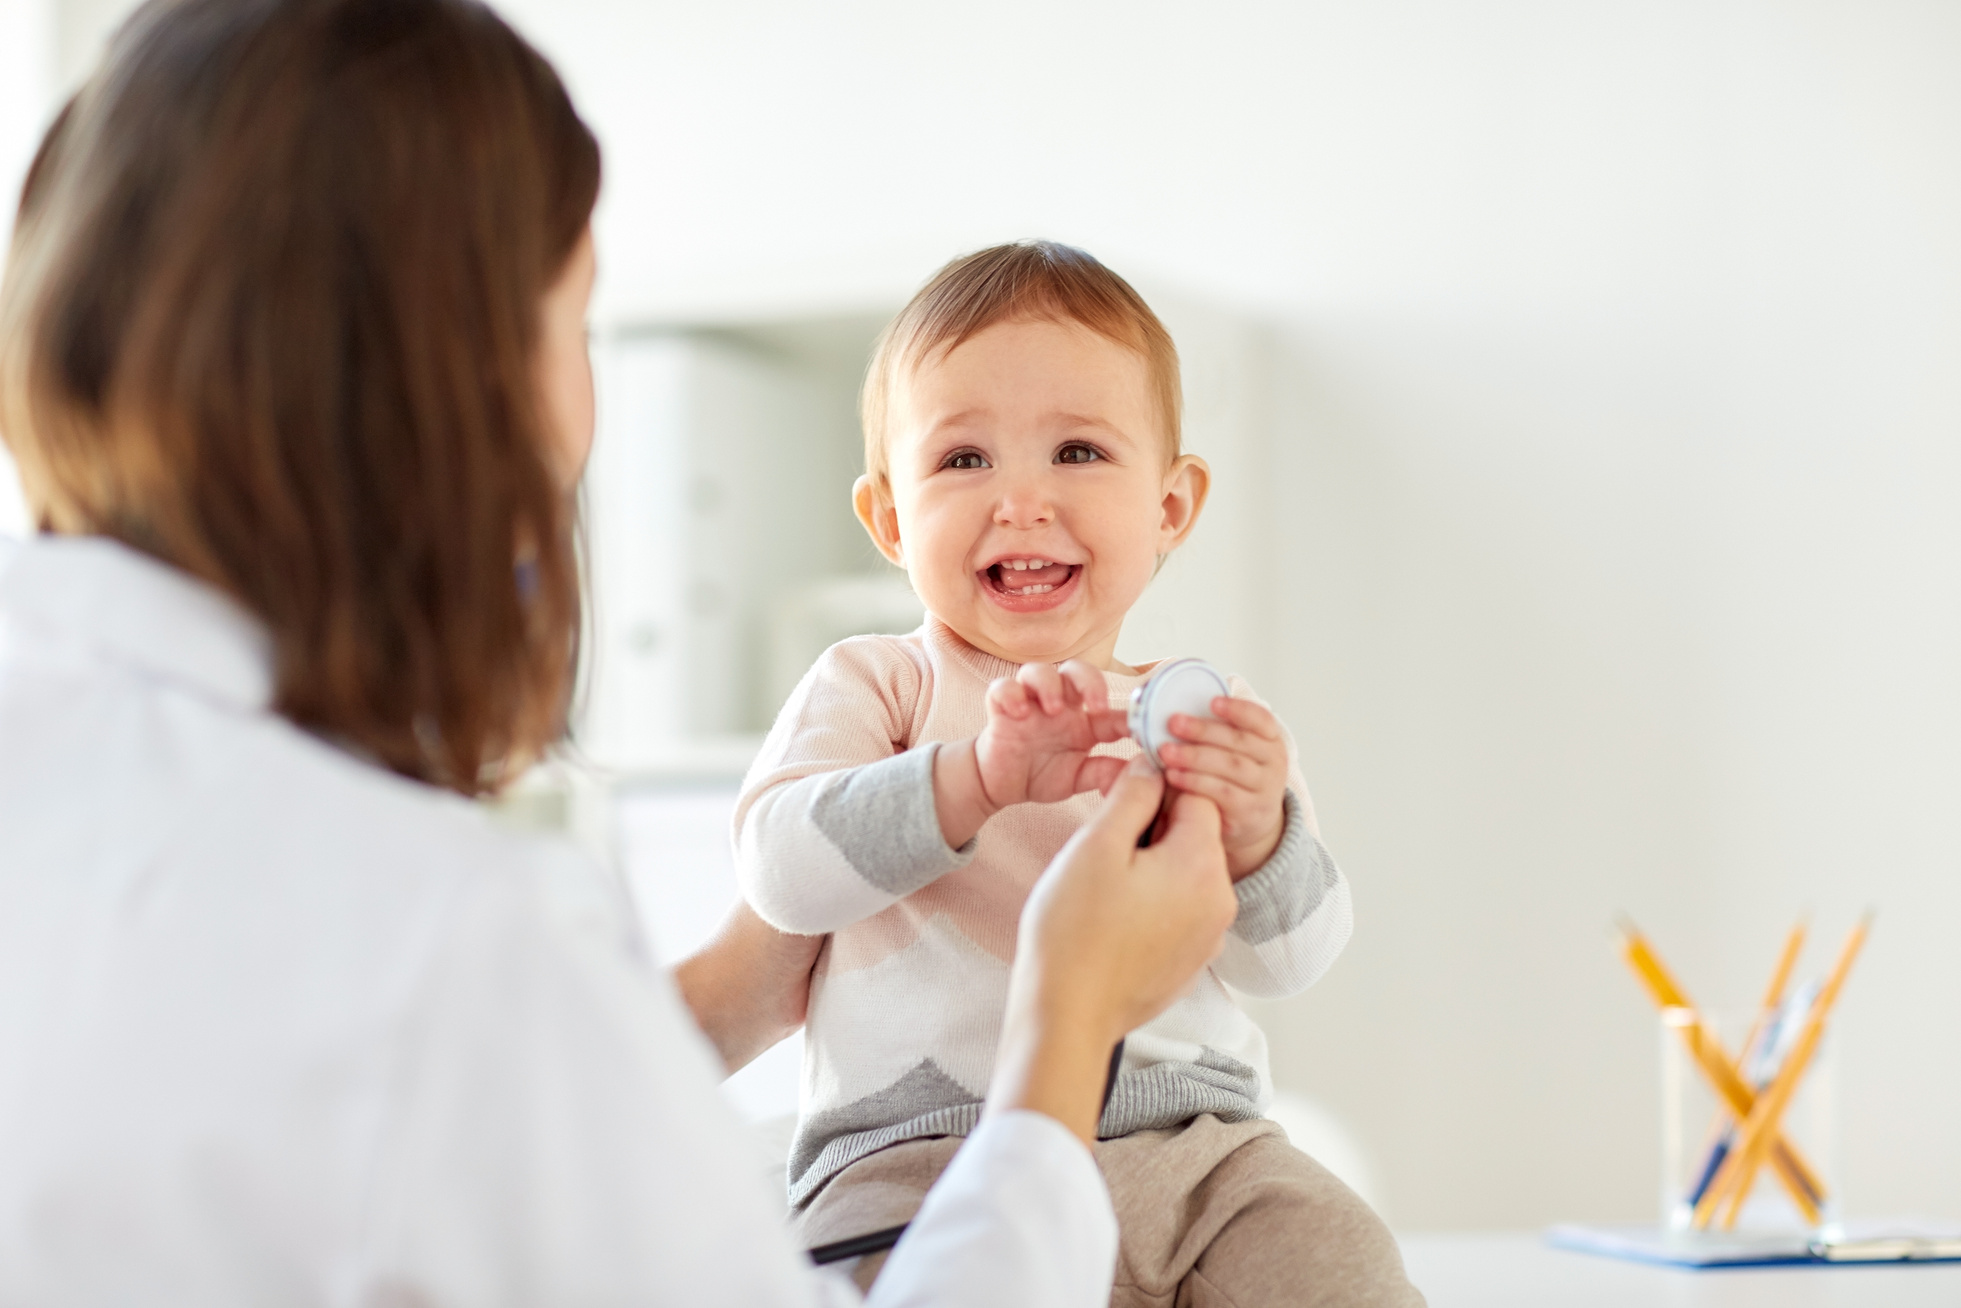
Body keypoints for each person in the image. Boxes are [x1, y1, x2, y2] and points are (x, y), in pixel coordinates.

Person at [0, 2, 1247, 1303]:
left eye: (1080, 450)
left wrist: (729, 991)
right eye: (576, 325)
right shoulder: (457, 936)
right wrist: (1072, 1018)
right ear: (460, 382)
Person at [736, 242, 1424, 1306]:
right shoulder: (876, 685)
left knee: (1342, 1257)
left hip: (1198, 1146)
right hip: (919, 1155)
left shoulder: (1202, 715)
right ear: (886, 518)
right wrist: (970, 777)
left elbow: (1293, 960)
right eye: (963, 461)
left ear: (1169, 508)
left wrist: (1256, 836)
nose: (1019, 501)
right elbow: (781, 873)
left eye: (1077, 452)